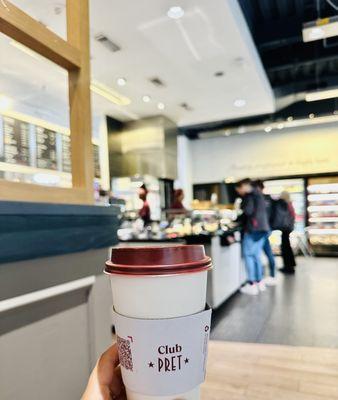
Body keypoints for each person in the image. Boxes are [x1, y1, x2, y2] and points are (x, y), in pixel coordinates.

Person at [235, 178, 270, 295]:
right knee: (256, 256)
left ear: (244, 186)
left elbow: (248, 212)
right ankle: (259, 282)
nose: (239, 192)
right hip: (263, 229)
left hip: (253, 230)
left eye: (239, 189)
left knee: (248, 255)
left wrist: (241, 210)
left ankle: (251, 284)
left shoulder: (249, 196)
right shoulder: (259, 194)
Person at [253, 180, 277, 286]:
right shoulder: (268, 199)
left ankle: (261, 277)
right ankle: (271, 275)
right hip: (267, 229)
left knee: (258, 254)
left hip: (260, 230)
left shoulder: (258, 199)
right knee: (266, 252)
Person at [277, 191, 297, 274]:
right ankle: (290, 265)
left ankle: (287, 267)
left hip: (286, 228)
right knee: (287, 247)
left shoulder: (285, 204)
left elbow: (284, 217)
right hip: (288, 228)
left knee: (285, 247)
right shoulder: (290, 204)